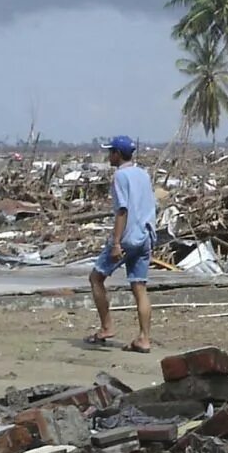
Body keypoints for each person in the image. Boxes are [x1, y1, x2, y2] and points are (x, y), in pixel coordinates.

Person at [88, 135, 156, 352]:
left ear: (117, 154)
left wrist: (116, 242)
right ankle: (144, 338)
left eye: (110, 152)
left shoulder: (120, 176)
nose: (109, 156)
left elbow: (122, 211)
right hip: (145, 235)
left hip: (127, 237)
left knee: (96, 277)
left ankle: (107, 327)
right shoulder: (143, 174)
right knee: (139, 287)